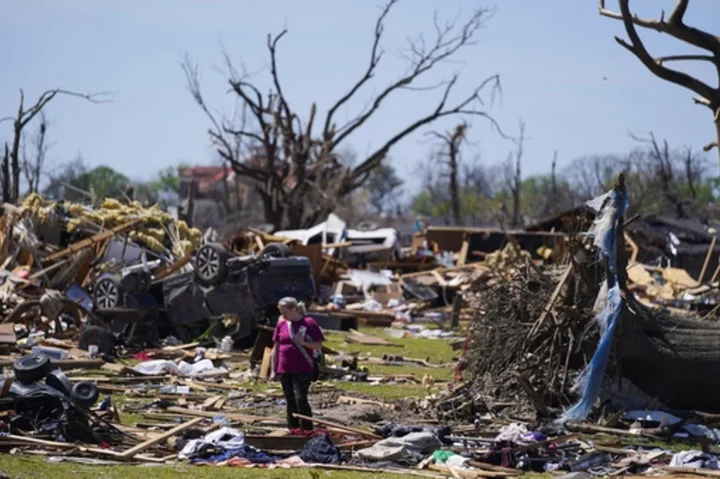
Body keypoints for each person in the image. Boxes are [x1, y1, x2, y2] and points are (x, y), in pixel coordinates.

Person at [270, 296, 325, 430]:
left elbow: (319, 345)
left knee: (301, 399)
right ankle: (293, 428)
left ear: (294, 309)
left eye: (284, 312)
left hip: (302, 367)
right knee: (290, 400)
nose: (282, 315)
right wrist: (273, 370)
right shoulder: (281, 325)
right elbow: (275, 349)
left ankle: (306, 429)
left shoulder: (308, 323)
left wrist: (304, 342)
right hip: (284, 368)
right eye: (281, 312)